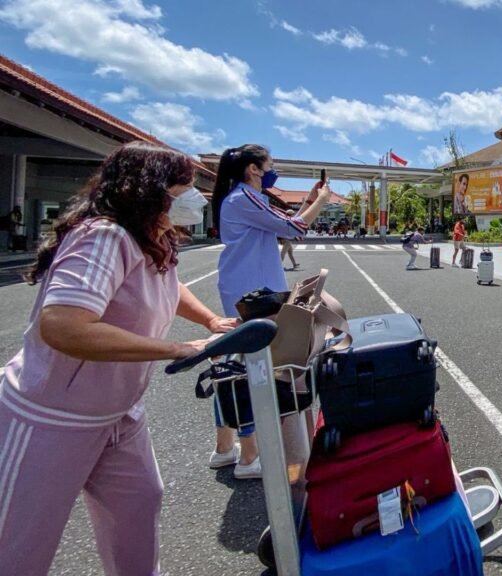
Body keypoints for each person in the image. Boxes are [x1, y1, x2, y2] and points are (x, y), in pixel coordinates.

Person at [0, 142, 236, 575]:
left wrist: (209, 321)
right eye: (184, 186)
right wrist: (177, 348)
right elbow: (64, 325)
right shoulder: (104, 236)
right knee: (19, 543)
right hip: (51, 417)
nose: (195, 197)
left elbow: (167, 284)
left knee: (138, 508)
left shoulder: (151, 236)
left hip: (118, 415)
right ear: (150, 188)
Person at [210, 144, 334, 479]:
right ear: (253, 169)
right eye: (269, 165)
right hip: (255, 294)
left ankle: (225, 448)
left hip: (247, 288)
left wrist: (309, 201)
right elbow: (294, 228)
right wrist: (321, 203)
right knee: (253, 369)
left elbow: (285, 222)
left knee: (233, 364)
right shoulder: (244, 197)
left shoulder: (242, 199)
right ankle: (249, 457)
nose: (272, 170)